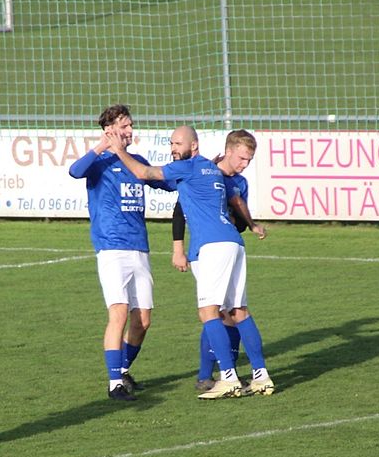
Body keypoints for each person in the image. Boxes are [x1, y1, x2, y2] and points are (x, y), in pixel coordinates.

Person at [108, 128, 274, 399]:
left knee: (209, 312)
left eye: (178, 143)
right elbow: (228, 196)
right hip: (233, 242)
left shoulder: (189, 167)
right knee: (239, 311)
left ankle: (228, 378)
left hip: (212, 245)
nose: (173, 148)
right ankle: (261, 376)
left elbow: (143, 172)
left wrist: (118, 150)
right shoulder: (210, 169)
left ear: (194, 145)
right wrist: (252, 225)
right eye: (171, 143)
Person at [68, 104, 175, 402]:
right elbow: (74, 171)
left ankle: (123, 369)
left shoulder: (137, 162)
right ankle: (114, 383)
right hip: (112, 248)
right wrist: (102, 146)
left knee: (143, 320)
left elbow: (168, 184)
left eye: (130, 125)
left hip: (139, 247)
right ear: (109, 130)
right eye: (124, 126)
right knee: (118, 313)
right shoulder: (99, 163)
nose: (130, 130)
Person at [165, 126, 266, 392]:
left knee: (227, 313)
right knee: (218, 312)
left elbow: (238, 224)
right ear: (228, 152)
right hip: (205, 249)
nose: (244, 165)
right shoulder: (205, 171)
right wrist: (178, 248)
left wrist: (242, 222)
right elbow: (179, 211)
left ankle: (226, 374)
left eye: (249, 160)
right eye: (242, 158)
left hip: (223, 246)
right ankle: (208, 374)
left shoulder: (240, 184)